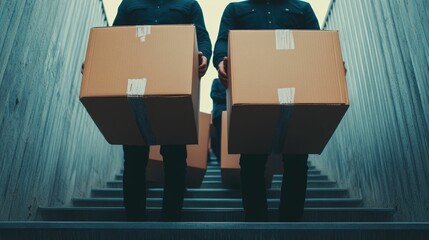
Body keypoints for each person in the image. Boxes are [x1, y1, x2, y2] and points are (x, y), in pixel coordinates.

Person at [212, 0, 319, 222]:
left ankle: (291, 222)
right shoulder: (235, 9)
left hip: (294, 86)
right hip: (252, 86)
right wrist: (221, 62)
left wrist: (331, 62)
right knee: (251, 158)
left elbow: (317, 45)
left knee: (297, 158)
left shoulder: (302, 8)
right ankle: (255, 222)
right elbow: (223, 42)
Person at [111, 0, 211, 222]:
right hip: (136, 83)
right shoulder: (130, 4)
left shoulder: (189, 5)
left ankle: (171, 219)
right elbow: (113, 39)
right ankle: (135, 220)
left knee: (175, 156)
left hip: (173, 85)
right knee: (134, 156)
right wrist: (97, 59)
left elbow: (201, 36)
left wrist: (203, 54)